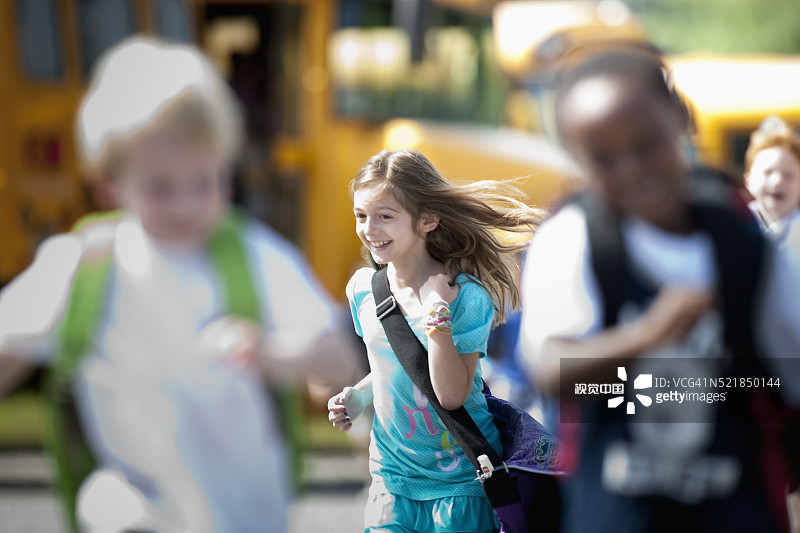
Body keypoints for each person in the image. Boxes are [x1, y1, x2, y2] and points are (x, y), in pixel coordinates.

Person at [0, 36, 358, 533]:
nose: (188, 204)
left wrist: (274, 353)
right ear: (107, 183)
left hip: (245, 519)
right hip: (135, 508)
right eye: (160, 188)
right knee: (109, 507)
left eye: (205, 182)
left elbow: (340, 355)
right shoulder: (82, 265)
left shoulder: (254, 255)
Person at [519, 49, 800, 533]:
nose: (631, 169)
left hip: (734, 501)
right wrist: (651, 333)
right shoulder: (575, 238)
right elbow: (550, 369)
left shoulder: (741, 241)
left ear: (677, 118)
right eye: (604, 159)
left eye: (646, 145)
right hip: (617, 504)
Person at [327, 149, 542, 533]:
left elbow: (451, 395)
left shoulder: (467, 297)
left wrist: (436, 314)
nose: (369, 229)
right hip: (391, 481)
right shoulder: (362, 290)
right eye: (361, 215)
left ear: (427, 220)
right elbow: (390, 368)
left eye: (385, 216)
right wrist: (358, 396)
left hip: (461, 485)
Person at [744, 115, 800, 271]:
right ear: (748, 181)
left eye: (788, 175)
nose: (777, 181)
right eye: (768, 172)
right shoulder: (737, 227)